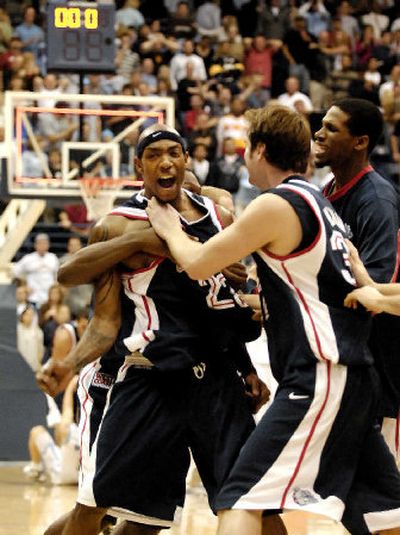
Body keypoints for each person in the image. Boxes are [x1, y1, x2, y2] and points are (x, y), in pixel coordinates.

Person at [146, 104, 400, 535]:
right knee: (384, 514)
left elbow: (197, 264)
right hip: (352, 379)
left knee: (241, 498)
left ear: (260, 150)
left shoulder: (277, 204)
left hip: (321, 377)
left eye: (247, 147)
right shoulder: (321, 202)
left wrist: (169, 228)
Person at [38, 123, 283, 535]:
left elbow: (219, 306)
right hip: (150, 379)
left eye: (173, 153)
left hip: (215, 383)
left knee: (255, 503)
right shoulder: (118, 225)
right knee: (100, 506)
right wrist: (68, 363)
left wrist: (246, 369)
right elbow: (102, 318)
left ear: (187, 160)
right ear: (139, 166)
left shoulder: (219, 215)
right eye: (153, 155)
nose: (165, 162)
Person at [314, 97, 400, 462]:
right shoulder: (325, 193)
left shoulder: (377, 200)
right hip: (348, 369)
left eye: (331, 128)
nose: (318, 133)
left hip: (384, 372)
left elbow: (374, 290)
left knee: (388, 498)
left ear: (360, 141)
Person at [24, 375, 80, 485]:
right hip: (88, 477)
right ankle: (37, 469)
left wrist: (69, 388)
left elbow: (65, 419)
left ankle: (36, 469)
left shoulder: (69, 428)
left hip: (61, 477)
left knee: (37, 431)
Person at [12, 233, 59, 309]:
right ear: (35, 245)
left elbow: (57, 277)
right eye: (40, 243)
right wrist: (24, 285)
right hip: (33, 297)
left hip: (49, 299)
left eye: (44, 243)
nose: (42, 245)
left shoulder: (53, 258)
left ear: (48, 245)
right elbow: (15, 270)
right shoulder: (29, 258)